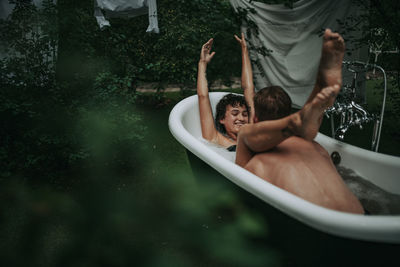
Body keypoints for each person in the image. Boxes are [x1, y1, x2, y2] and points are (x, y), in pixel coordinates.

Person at [235, 29, 364, 214]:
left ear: (255, 117)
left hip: (324, 228)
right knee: (304, 135)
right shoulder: (317, 147)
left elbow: (248, 88)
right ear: (288, 111)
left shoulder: (257, 163)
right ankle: (315, 93)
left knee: (245, 134)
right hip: (361, 216)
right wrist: (245, 50)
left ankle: (300, 117)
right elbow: (248, 88)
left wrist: (244, 51)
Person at [197, 34, 254, 149]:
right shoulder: (215, 138)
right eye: (234, 113)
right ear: (222, 119)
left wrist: (244, 50)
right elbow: (203, 96)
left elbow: (248, 88)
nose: (241, 119)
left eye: (245, 114)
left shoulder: (252, 134)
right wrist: (202, 64)